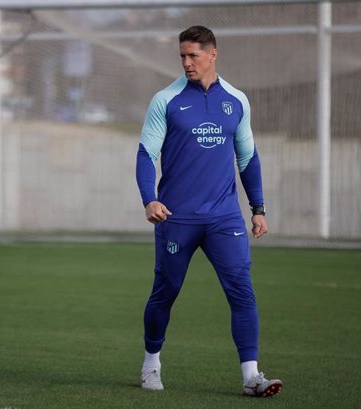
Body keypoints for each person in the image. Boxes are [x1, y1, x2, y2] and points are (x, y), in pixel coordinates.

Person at [135, 25, 282, 397]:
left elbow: (247, 158)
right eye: (182, 56)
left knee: (242, 291)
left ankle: (251, 377)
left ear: (212, 54)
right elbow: (145, 154)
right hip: (176, 217)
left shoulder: (237, 100)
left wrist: (258, 209)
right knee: (165, 291)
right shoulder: (165, 100)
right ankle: (151, 364)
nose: (186, 62)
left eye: (193, 56)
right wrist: (148, 199)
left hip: (223, 218)